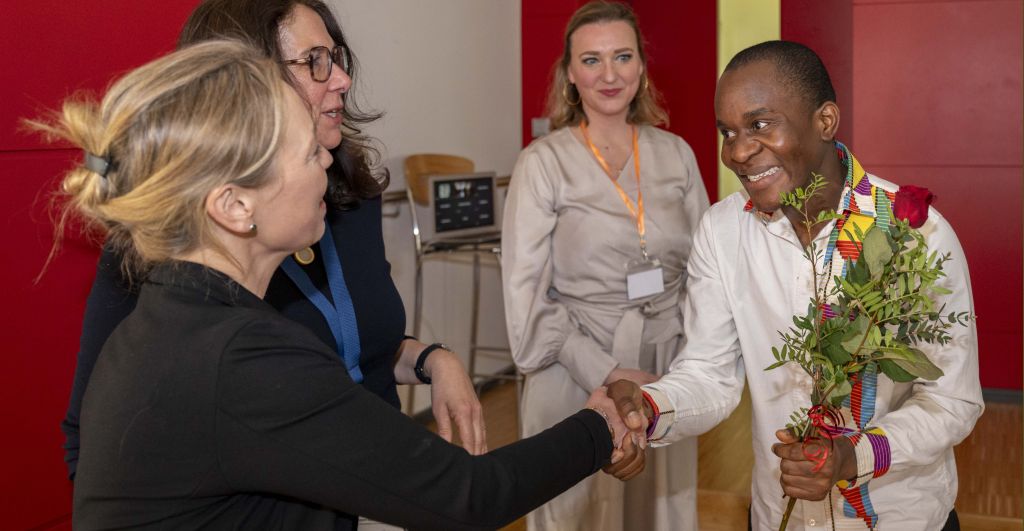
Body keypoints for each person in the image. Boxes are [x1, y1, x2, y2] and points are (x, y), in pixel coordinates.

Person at [32, 39, 648, 530]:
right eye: (307, 154)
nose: (327, 161)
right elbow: (471, 494)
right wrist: (601, 425)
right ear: (235, 206)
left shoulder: (173, 318)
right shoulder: (241, 357)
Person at [61, 0, 485, 484]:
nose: (343, 79)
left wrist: (433, 359)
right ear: (244, 82)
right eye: (315, 61)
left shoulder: (348, 197)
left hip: (384, 487)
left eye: (336, 57)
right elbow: (91, 439)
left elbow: (360, 348)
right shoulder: (161, 243)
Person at [607, 41, 982, 530]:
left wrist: (851, 456)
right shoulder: (722, 231)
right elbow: (709, 373)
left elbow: (951, 401)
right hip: (777, 516)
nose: (738, 152)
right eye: (727, 132)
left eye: (760, 124)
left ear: (825, 121)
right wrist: (650, 407)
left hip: (900, 519)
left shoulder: (914, 232)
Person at [501, 2, 709, 529]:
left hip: (663, 368)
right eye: (591, 60)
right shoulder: (543, 163)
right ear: (570, 74)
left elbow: (707, 271)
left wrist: (693, 360)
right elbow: (526, 295)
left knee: (658, 511)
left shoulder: (677, 154)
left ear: (642, 65)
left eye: (622, 56)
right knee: (579, 512)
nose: (609, 74)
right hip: (575, 367)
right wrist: (608, 372)